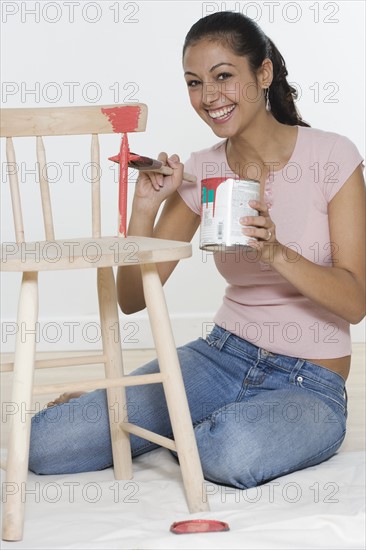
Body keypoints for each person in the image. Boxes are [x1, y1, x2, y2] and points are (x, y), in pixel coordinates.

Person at [29, 12, 365, 489]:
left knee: (227, 452)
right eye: (194, 82)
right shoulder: (203, 171)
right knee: (47, 443)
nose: (209, 97)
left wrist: (275, 251)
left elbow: (355, 302)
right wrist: (144, 208)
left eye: (224, 76)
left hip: (307, 381)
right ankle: (155, 406)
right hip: (219, 358)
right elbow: (131, 299)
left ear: (263, 74)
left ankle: (216, 419)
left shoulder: (333, 156)